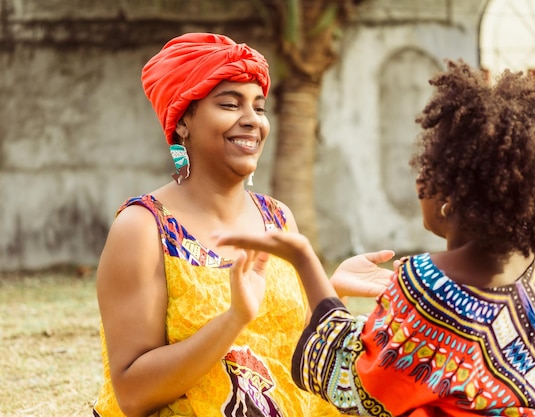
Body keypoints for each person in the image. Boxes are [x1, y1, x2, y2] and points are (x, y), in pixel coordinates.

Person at [216, 60, 535, 416]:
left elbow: (353, 383)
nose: (420, 180)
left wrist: (305, 259)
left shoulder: (430, 286)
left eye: (431, 168)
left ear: (452, 197)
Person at [93, 32, 394, 417]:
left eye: (259, 107)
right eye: (230, 104)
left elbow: (288, 344)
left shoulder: (278, 218)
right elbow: (133, 395)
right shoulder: (143, 228)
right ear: (183, 120)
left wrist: (329, 288)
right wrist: (232, 319)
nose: (251, 121)